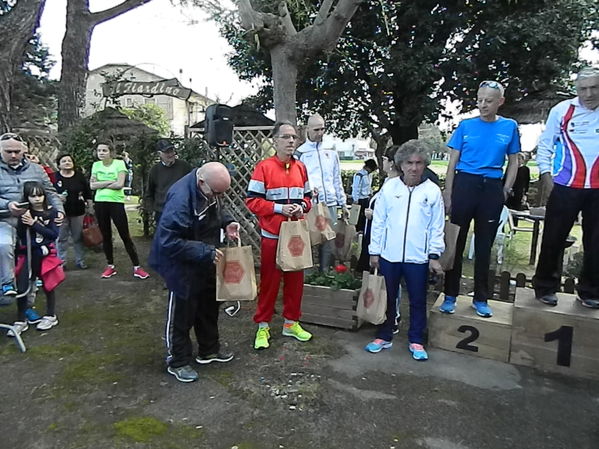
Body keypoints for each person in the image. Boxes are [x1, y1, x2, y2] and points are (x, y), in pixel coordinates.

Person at [149, 162, 240, 383]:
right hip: (179, 261)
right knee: (182, 311)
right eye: (217, 192)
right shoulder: (180, 200)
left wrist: (227, 222)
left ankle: (208, 350)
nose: (219, 196)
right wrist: (204, 251)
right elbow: (168, 241)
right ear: (201, 182)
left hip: (205, 255)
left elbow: (217, 205)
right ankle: (178, 361)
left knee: (209, 304)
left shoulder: (209, 186)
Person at [439, 80, 520, 318]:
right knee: (456, 242)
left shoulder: (509, 126)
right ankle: (450, 295)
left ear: (500, 102)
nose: (483, 105)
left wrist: (505, 189)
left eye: (489, 101)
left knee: (484, 246)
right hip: (465, 184)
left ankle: (481, 298)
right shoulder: (466, 126)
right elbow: (452, 162)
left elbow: (514, 160)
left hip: (492, 186)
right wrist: (448, 192)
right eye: (480, 100)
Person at [367, 140, 444, 360]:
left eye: (419, 163)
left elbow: (436, 226)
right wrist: (375, 251)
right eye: (409, 162)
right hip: (389, 255)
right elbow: (379, 221)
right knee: (388, 297)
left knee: (418, 300)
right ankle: (384, 334)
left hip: (417, 257)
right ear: (401, 164)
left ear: (425, 165)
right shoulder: (390, 188)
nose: (414, 168)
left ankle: (416, 340)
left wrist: (434, 255)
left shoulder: (432, 191)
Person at [533, 67, 599, 309]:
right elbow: (546, 144)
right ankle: (545, 287)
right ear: (576, 90)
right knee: (553, 238)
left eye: (594, 87)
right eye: (584, 89)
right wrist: (546, 176)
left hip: (598, 190)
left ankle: (590, 291)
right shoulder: (562, 111)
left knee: (596, 242)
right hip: (566, 185)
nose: (589, 93)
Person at [246, 121, 313, 350]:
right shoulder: (263, 167)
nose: (291, 141)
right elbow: (252, 201)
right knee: (269, 282)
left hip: (295, 235)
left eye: (294, 137)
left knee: (296, 282)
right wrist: (278, 209)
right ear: (274, 140)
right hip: (272, 235)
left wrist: (301, 207)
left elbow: (308, 199)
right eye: (285, 137)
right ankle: (263, 326)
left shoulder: (301, 168)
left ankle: (291, 323)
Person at [0, 133, 64, 298]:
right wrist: (7, 205)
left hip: (33, 221)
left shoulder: (36, 169)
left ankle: (28, 303)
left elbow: (50, 192)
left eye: (16, 151)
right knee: (4, 245)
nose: (13, 155)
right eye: (8, 152)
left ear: (23, 150)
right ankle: (7, 284)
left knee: (33, 260)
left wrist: (59, 211)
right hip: (5, 220)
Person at [8, 181, 63, 336]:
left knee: (48, 285)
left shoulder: (52, 213)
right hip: (28, 255)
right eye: (32, 196)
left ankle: (51, 315)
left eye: (40, 195)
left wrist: (34, 224)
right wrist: (23, 220)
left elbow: (53, 235)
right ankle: (21, 320)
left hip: (46, 255)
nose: (37, 199)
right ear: (27, 197)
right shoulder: (25, 214)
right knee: (23, 285)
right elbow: (21, 236)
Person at [357, 145, 402, 334]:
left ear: (391, 163)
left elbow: (394, 215)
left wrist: (373, 215)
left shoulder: (398, 185)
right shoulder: (387, 182)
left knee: (391, 278)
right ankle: (380, 310)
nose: (381, 162)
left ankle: (393, 316)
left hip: (387, 240)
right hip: (374, 238)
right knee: (381, 276)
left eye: (384, 158)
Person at [295, 113, 347, 271]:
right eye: (316, 129)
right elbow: (297, 180)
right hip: (311, 205)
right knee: (310, 240)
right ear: (308, 130)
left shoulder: (330, 151)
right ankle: (309, 277)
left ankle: (326, 274)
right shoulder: (300, 154)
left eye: (323, 129)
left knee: (329, 243)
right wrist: (308, 192)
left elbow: (336, 178)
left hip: (329, 203)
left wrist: (343, 203)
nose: (320, 133)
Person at [90, 143, 149, 280]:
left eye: (104, 150)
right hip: (100, 202)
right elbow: (92, 185)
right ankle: (110, 266)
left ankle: (137, 267)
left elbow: (119, 184)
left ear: (111, 152)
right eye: (99, 150)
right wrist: (110, 181)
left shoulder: (119, 164)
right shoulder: (96, 165)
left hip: (116, 202)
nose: (101, 153)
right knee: (106, 235)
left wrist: (102, 183)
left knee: (125, 235)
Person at [54, 153, 93, 269]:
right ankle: (61, 262)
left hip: (78, 212)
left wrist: (90, 207)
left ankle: (80, 260)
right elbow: (48, 193)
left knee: (78, 237)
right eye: (64, 161)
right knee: (61, 238)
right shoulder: (54, 177)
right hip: (61, 212)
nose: (67, 163)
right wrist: (57, 197)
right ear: (59, 165)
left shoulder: (79, 176)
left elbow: (87, 193)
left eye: (69, 161)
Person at [146, 139, 192, 227]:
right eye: (167, 152)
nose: (170, 154)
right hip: (162, 211)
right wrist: (151, 210)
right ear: (160, 154)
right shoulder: (155, 170)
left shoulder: (185, 166)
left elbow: (193, 186)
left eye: (171, 151)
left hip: (182, 210)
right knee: (163, 239)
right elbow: (149, 193)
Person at [351, 158, 378, 233]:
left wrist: (370, 193)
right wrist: (355, 199)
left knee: (365, 216)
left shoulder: (369, 175)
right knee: (359, 216)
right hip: (360, 199)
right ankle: (357, 231)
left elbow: (368, 186)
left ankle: (363, 230)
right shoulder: (359, 175)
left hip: (366, 198)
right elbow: (356, 188)